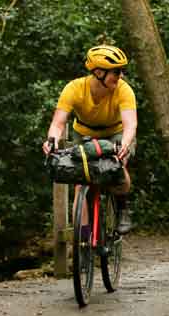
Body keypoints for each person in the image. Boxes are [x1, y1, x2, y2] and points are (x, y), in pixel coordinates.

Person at [42, 45, 137, 234]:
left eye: (122, 71)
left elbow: (130, 124)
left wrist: (124, 145)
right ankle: (83, 237)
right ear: (99, 72)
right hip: (84, 133)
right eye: (116, 72)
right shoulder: (74, 88)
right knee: (80, 178)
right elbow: (58, 123)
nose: (121, 76)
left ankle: (122, 208)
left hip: (115, 133)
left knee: (118, 165)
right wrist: (51, 140)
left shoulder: (124, 90)